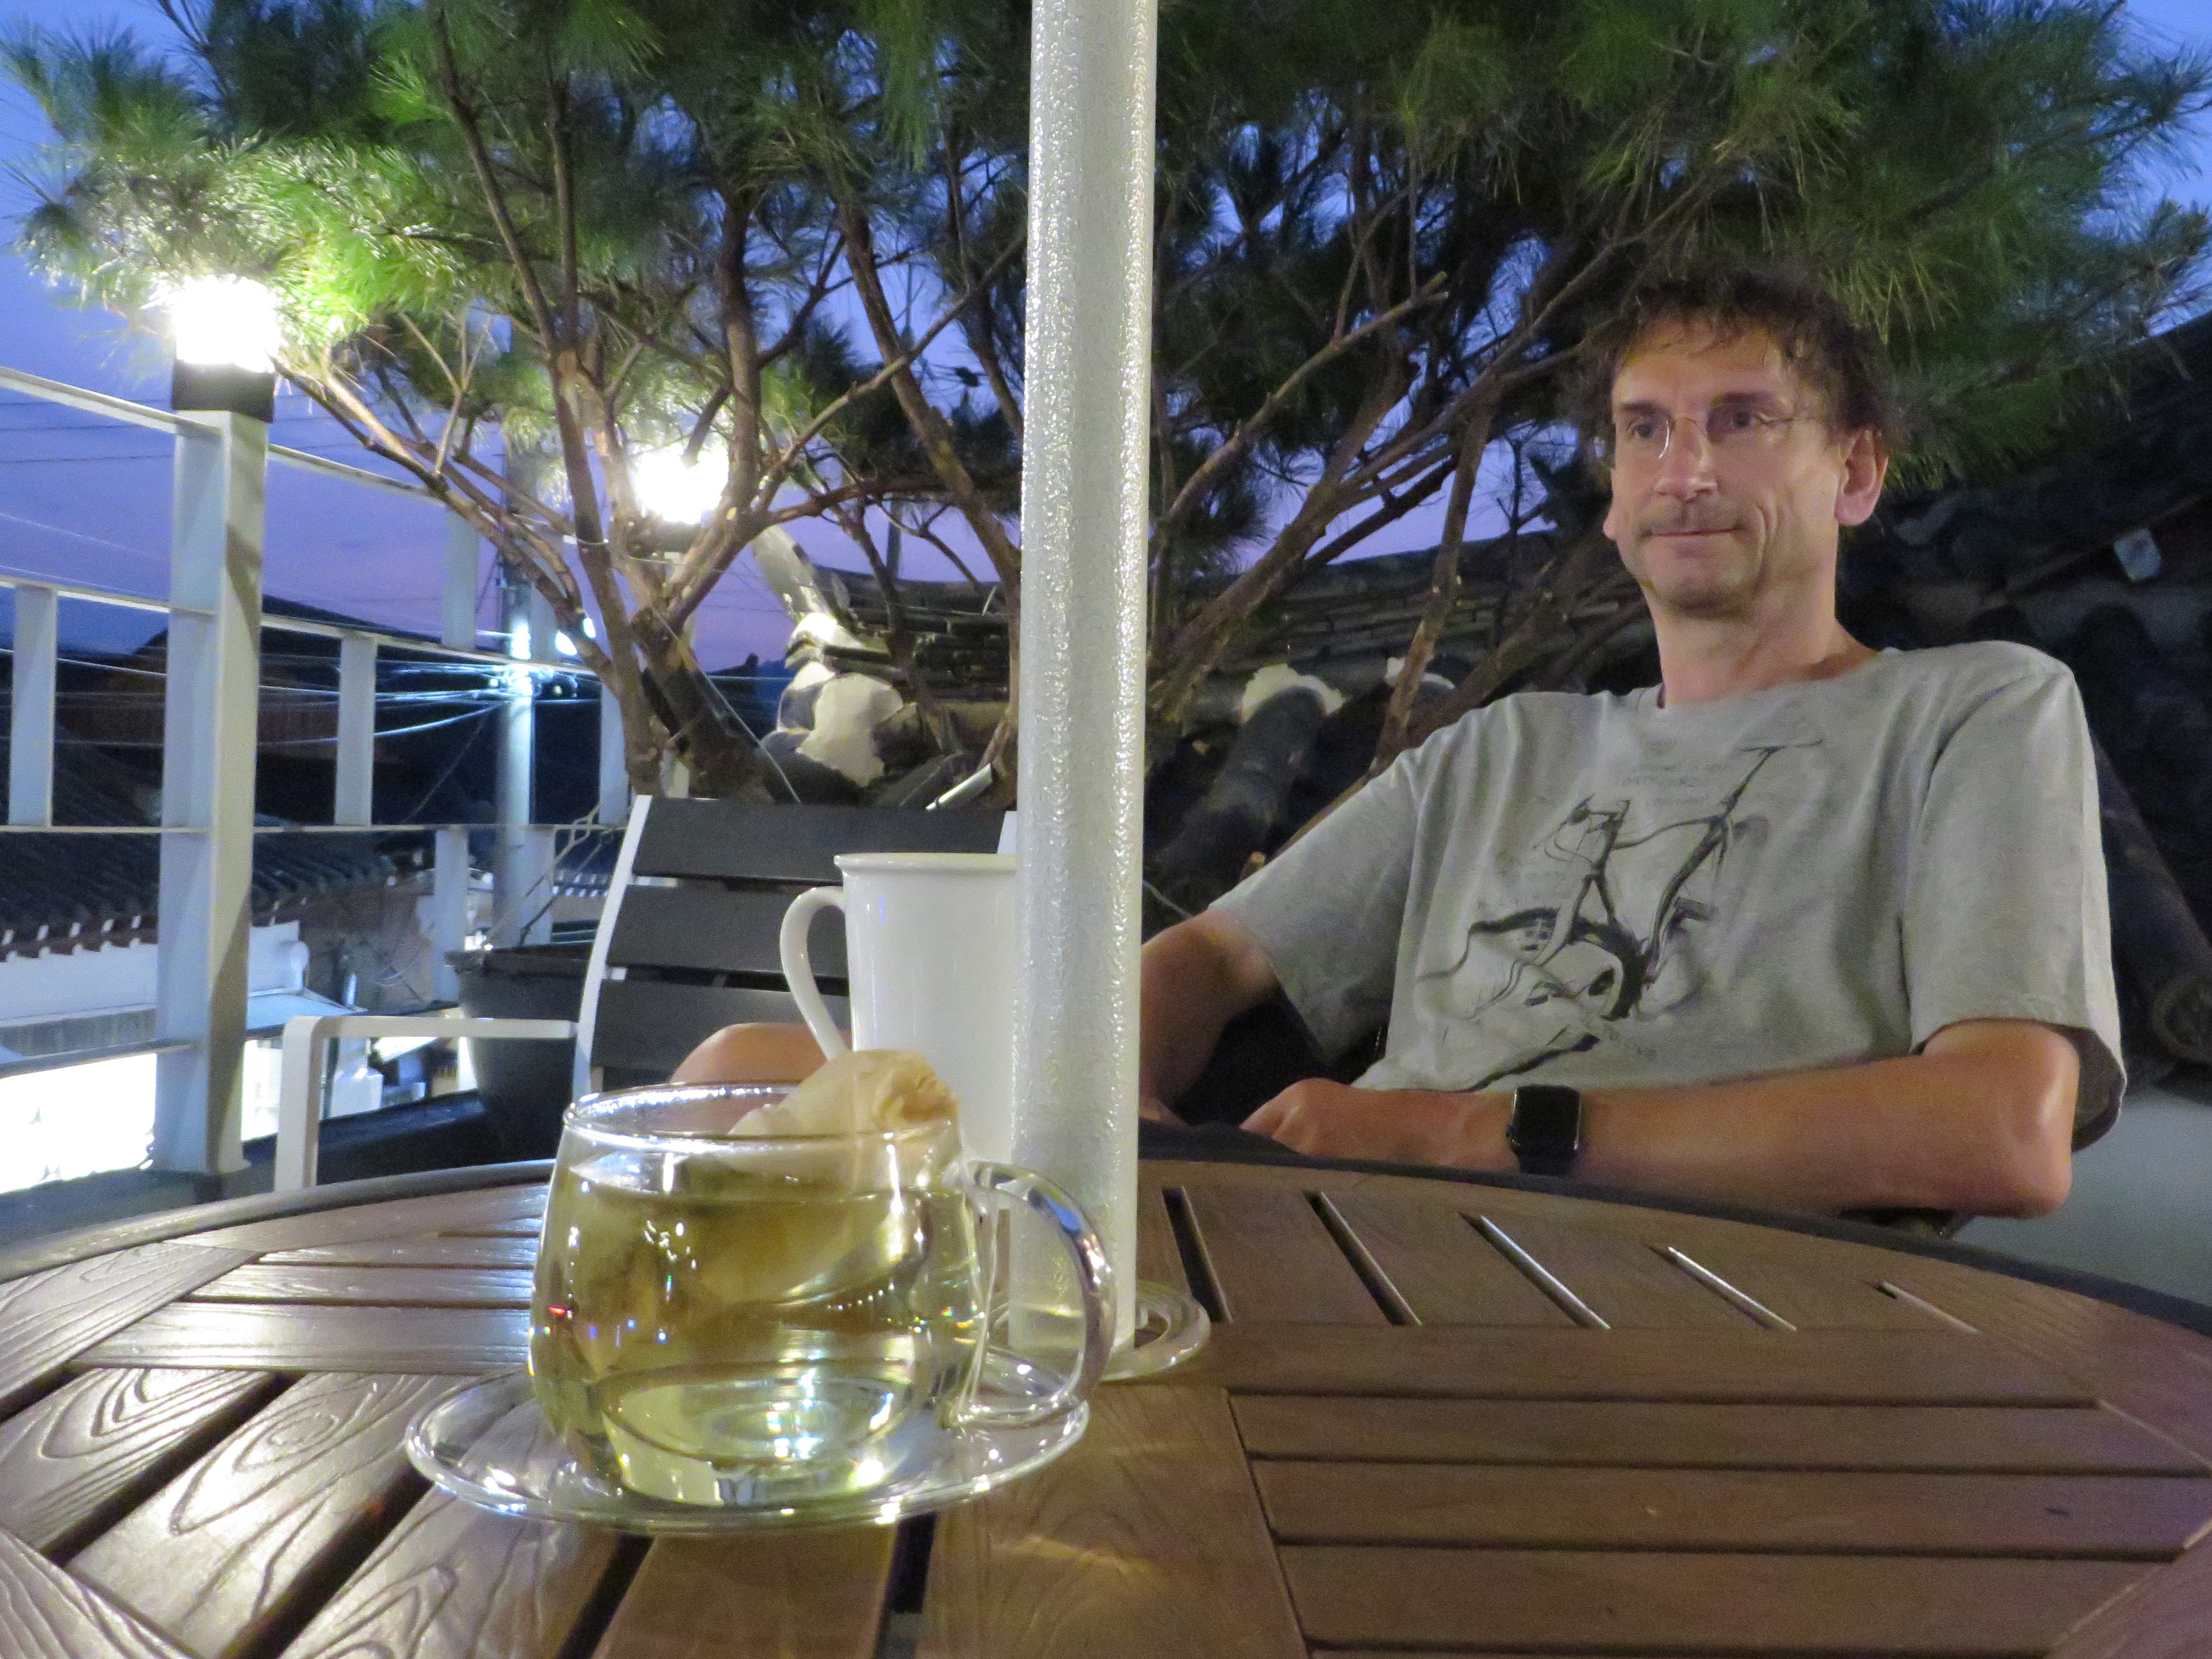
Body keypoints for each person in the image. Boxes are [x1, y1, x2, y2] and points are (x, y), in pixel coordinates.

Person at [1139, 265, 2121, 1219]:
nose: (1685, 473)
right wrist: (1116, 1118)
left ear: (1856, 473)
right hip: (1341, 1232)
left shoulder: (1972, 710)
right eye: (1644, 429)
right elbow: (1213, 953)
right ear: (1612, 493)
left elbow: (2004, 1132)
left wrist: (1468, 1137)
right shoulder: (1499, 749)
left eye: (1743, 420)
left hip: (1685, 1281)